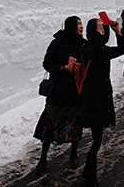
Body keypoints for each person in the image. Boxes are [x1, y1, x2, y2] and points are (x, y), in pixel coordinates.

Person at [33, 16, 86, 176]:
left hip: (76, 92)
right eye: (78, 24)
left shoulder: (82, 43)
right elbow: (47, 63)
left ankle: (74, 153)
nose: (81, 27)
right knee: (49, 127)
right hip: (58, 92)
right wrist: (63, 67)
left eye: (82, 24)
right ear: (71, 26)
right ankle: (43, 159)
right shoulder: (57, 43)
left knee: (76, 124)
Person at [80, 17, 124, 186]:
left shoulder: (103, 49)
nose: (103, 34)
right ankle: (88, 175)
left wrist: (117, 32)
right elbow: (93, 52)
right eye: (100, 31)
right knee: (96, 139)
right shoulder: (86, 48)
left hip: (101, 99)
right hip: (92, 100)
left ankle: (89, 175)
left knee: (97, 139)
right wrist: (100, 33)